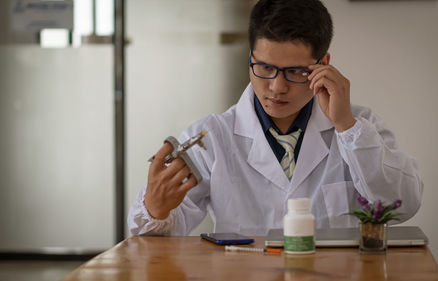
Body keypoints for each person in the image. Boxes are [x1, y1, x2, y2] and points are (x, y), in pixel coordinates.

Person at [128, 0, 423, 236]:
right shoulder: (211, 136)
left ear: (323, 65)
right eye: (265, 68)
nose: (276, 88)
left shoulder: (358, 126)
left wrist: (346, 127)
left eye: (295, 71)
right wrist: (156, 209)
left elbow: (402, 206)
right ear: (250, 57)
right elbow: (153, 241)